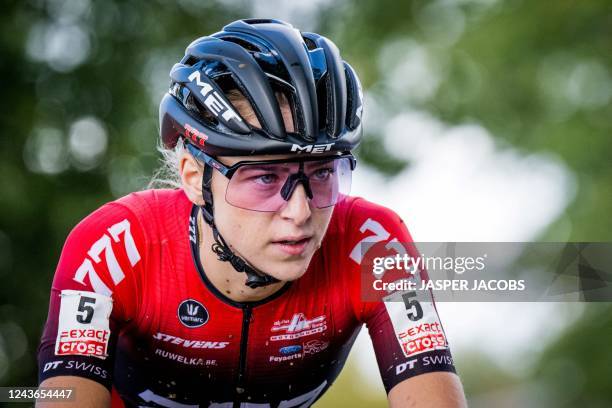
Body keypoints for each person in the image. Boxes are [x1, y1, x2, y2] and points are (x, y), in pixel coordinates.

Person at [37, 19, 467, 408]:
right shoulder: (113, 247)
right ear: (193, 176)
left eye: (321, 173)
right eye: (264, 177)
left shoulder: (372, 245)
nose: (300, 212)